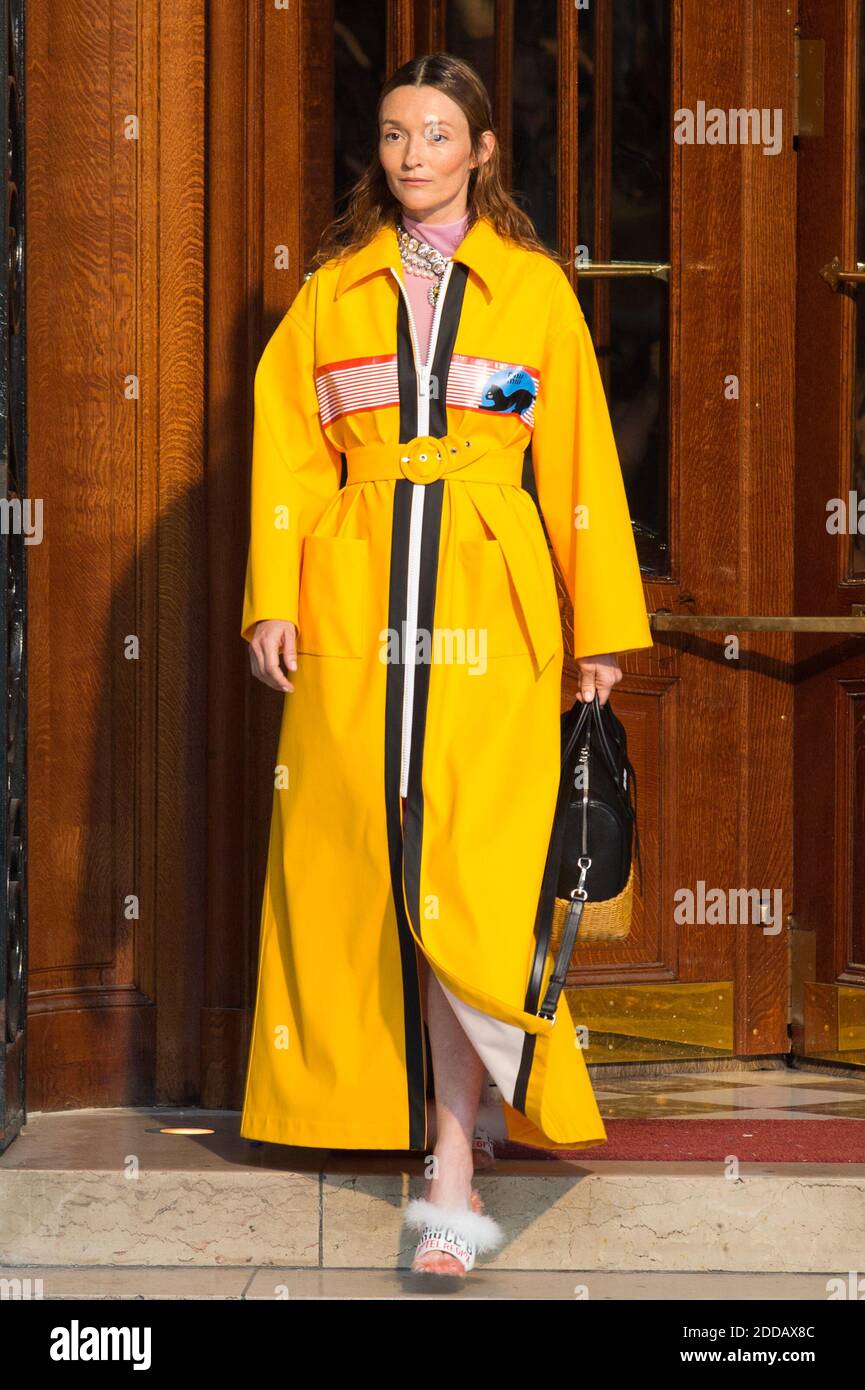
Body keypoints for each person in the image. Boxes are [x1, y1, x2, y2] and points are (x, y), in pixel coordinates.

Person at [238, 51, 653, 1280]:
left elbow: (577, 465)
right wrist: (274, 599)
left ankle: (453, 1166)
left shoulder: (531, 293)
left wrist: (594, 633)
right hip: (356, 607)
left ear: (480, 150)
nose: (412, 154)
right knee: (367, 862)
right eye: (392, 133)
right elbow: (289, 460)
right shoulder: (331, 293)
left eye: (436, 134)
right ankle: (401, 1121)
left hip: (493, 615)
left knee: (466, 879)